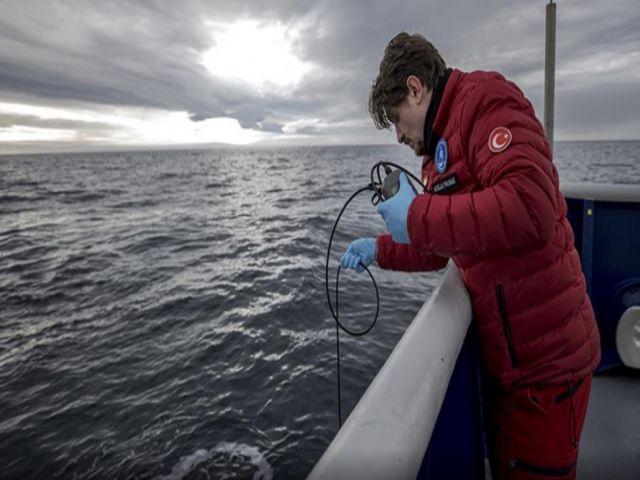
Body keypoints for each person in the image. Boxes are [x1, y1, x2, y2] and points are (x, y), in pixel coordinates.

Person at [340, 32, 600, 479]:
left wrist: (419, 215)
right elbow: (442, 247)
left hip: (547, 368)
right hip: (513, 366)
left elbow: (530, 206)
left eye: (397, 120)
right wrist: (380, 249)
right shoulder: (435, 155)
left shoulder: (486, 101)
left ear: (416, 88)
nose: (399, 135)